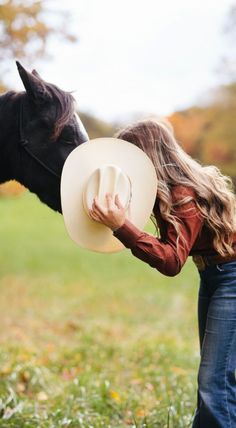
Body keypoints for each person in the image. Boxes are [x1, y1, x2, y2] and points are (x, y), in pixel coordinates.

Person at [89, 118, 236, 428]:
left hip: (231, 279)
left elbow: (171, 261)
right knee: (218, 377)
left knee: (215, 382)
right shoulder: (171, 189)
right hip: (215, 276)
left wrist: (121, 227)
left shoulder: (183, 194)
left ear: (148, 157)